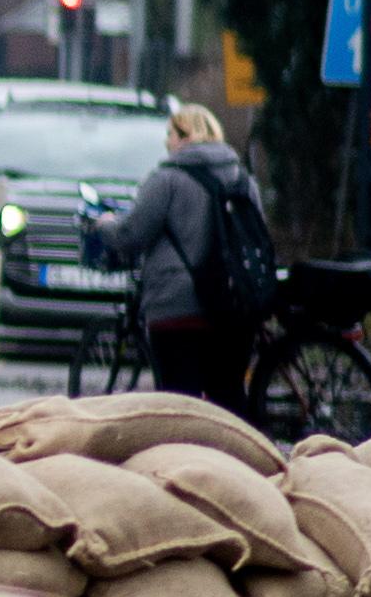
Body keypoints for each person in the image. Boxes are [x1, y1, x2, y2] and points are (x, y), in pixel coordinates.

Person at [87, 99, 277, 415]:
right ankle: (234, 460)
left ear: (184, 135)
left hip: (177, 307)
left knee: (179, 405)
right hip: (235, 306)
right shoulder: (244, 180)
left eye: (170, 137)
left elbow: (131, 235)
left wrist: (104, 225)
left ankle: (184, 460)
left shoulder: (167, 178)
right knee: (228, 400)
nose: (168, 145)